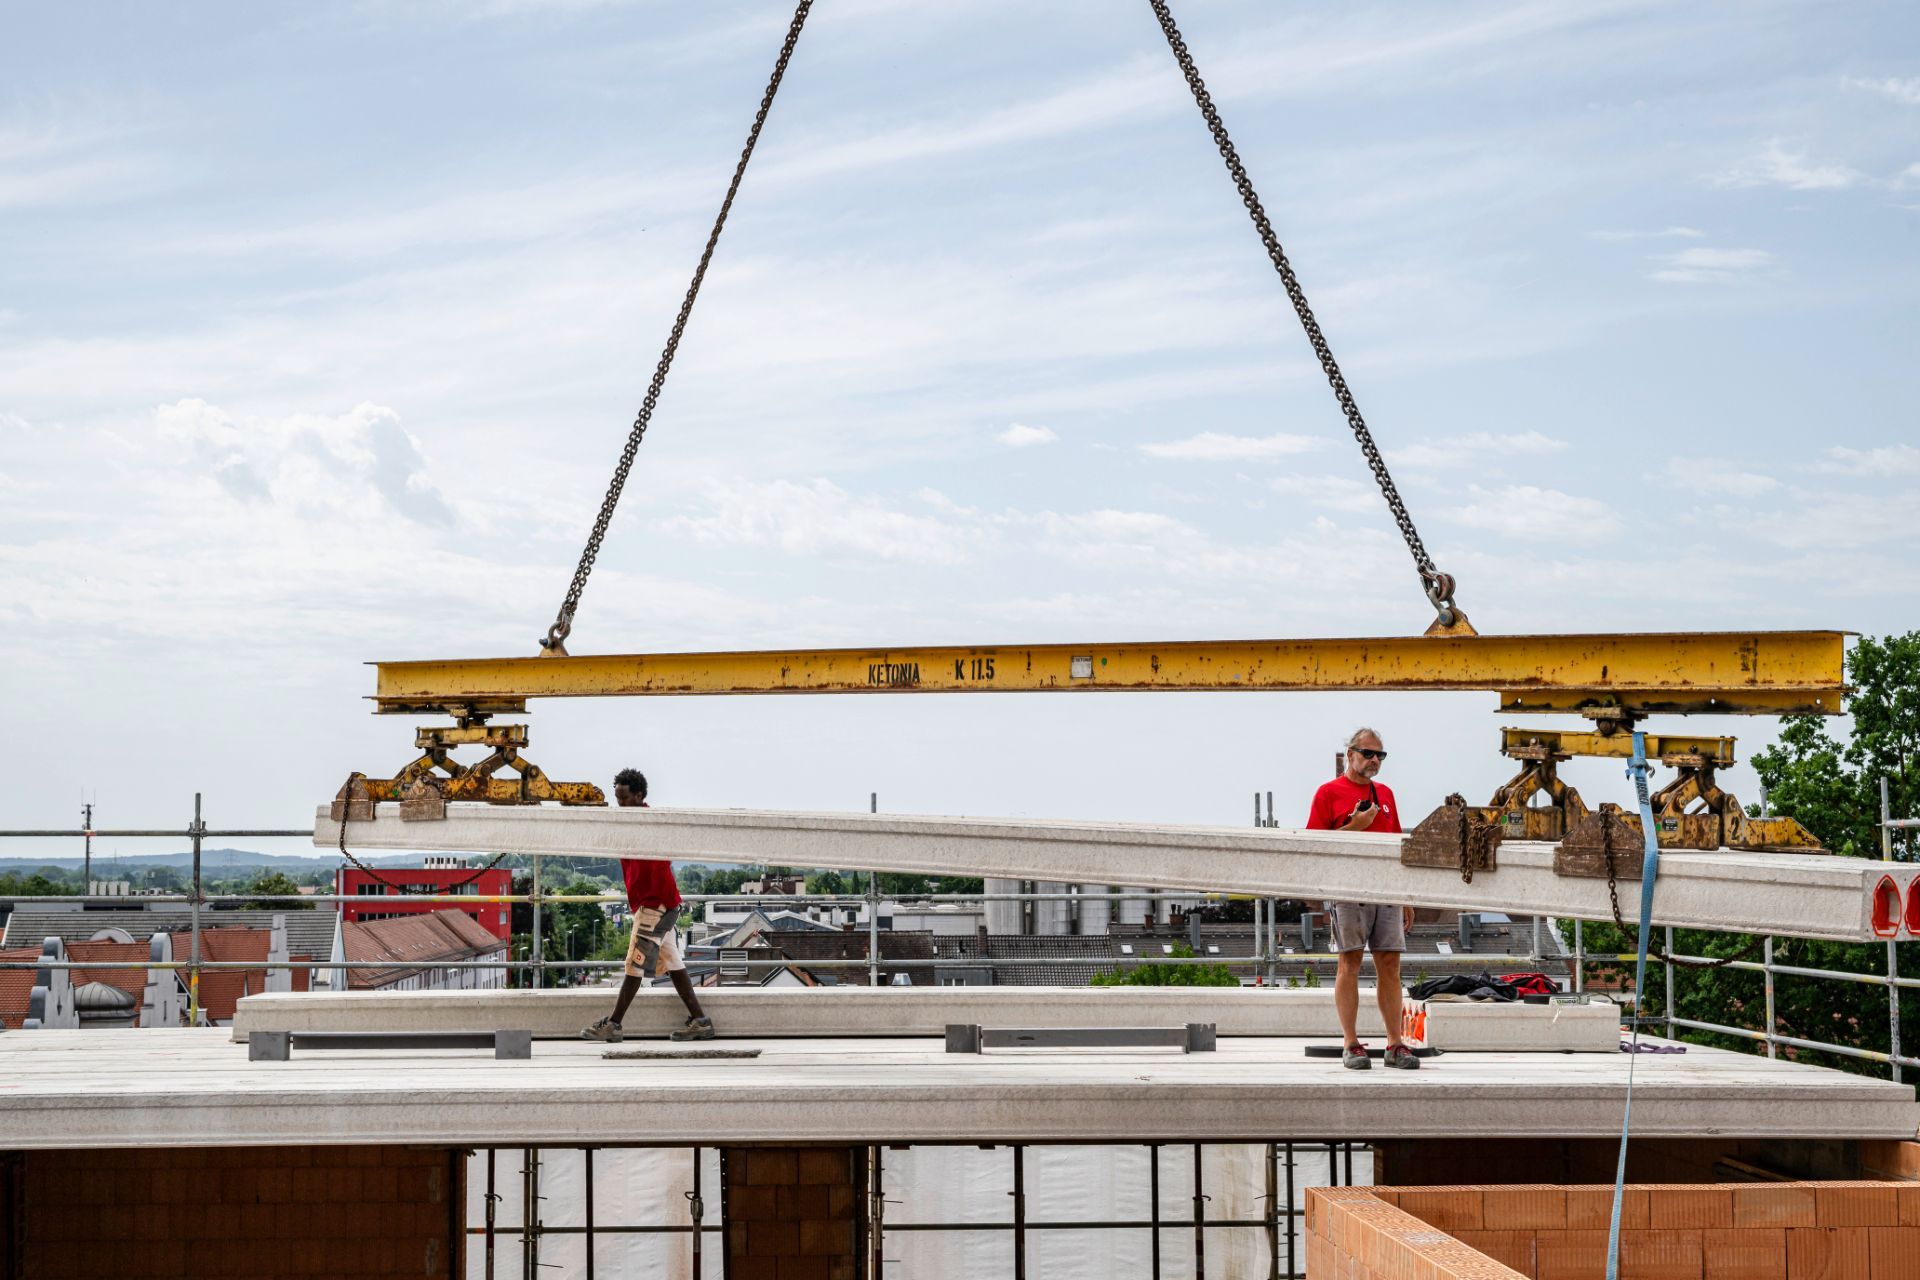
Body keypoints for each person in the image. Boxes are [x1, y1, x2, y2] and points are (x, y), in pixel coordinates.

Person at [1307, 727, 1417, 1071]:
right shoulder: (1328, 793)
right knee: (1350, 962)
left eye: (1379, 755)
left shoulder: (1385, 794)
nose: (1374, 760)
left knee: (1390, 964)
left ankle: (1395, 1044)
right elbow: (1315, 847)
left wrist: (1406, 894)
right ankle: (1351, 1043)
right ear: (1350, 754)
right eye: (1368, 753)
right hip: (1348, 890)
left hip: (1386, 888)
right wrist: (1356, 825)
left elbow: (1398, 845)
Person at [581, 768, 715, 1043]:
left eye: (624, 798)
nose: (619, 804)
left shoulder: (646, 825)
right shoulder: (640, 823)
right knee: (673, 962)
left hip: (654, 906)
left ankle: (614, 1025)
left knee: (635, 965)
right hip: (664, 905)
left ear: (639, 795)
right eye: (617, 798)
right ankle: (700, 1021)